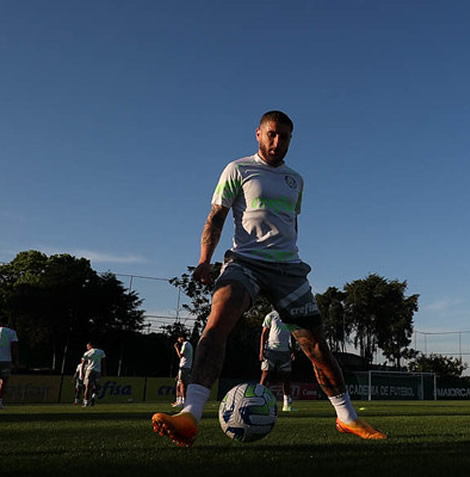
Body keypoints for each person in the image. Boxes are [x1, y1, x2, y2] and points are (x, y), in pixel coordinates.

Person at [151, 110, 385, 447]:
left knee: (317, 348)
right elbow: (215, 217)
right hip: (244, 262)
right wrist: (205, 260)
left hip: (288, 270)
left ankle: (348, 418)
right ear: (258, 134)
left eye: (285, 137)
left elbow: (291, 222)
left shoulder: (296, 180)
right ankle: (189, 415)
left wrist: (293, 257)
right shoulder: (238, 169)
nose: (277, 142)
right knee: (216, 324)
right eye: (271, 134)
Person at [259, 309, 296, 412]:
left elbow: (293, 335)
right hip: (271, 350)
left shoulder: (290, 316)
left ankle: (287, 405)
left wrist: (293, 350)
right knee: (265, 376)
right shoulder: (270, 316)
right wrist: (261, 350)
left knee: (286, 378)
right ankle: (259, 401)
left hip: (285, 352)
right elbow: (264, 334)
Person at [79, 341, 105, 407]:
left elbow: (83, 363)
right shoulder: (101, 352)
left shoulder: (87, 353)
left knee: (87, 387)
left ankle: (86, 402)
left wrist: (81, 373)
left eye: (87, 346)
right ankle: (93, 398)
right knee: (96, 386)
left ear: (90, 346)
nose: (87, 348)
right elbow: (103, 362)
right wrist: (103, 371)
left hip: (90, 370)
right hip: (98, 371)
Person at [172, 335, 192, 407]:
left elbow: (180, 355)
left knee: (182, 384)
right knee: (178, 385)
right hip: (183, 367)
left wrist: (176, 348)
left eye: (179, 338)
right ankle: (178, 401)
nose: (178, 339)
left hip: (184, 367)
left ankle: (183, 401)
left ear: (182, 338)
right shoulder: (188, 344)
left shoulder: (185, 344)